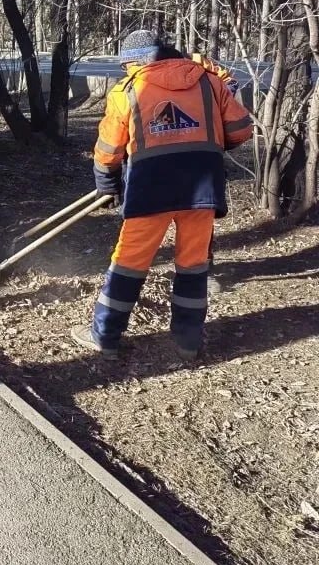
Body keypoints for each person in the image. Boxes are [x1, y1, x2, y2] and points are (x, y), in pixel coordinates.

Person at [71, 29, 253, 362]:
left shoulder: (128, 90)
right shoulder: (209, 82)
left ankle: (105, 336)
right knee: (192, 265)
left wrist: (106, 182)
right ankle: (187, 342)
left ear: (137, 62)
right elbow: (241, 130)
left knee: (129, 262)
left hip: (149, 189)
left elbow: (108, 149)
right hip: (201, 190)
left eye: (127, 66)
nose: (128, 72)